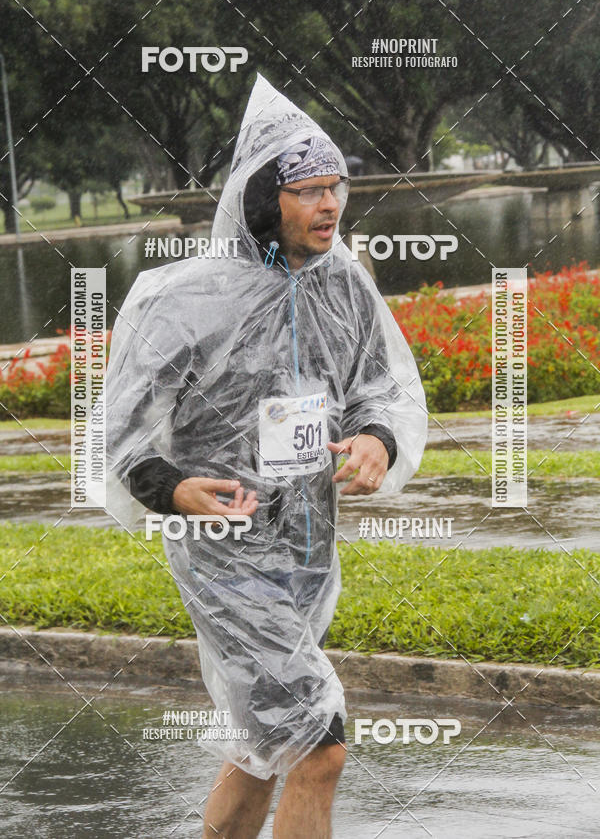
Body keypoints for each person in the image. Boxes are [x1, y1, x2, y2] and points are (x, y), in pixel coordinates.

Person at [104, 73, 427, 838]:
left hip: (310, 543)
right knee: (319, 743)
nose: (330, 206)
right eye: (309, 190)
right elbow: (120, 433)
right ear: (262, 199)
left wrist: (377, 441)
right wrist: (173, 489)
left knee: (260, 745)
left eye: (337, 187)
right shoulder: (179, 298)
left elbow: (380, 388)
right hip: (226, 551)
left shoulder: (344, 285)